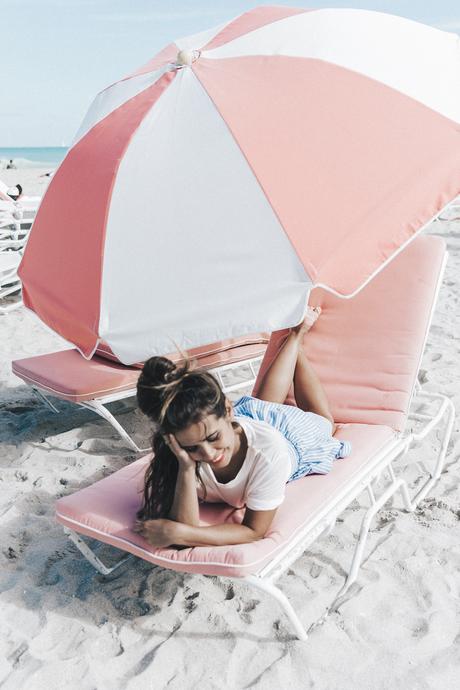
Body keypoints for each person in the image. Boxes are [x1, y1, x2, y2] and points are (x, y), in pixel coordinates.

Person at [134, 307, 351, 548]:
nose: (207, 454)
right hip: (247, 425)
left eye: (212, 438)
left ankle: (297, 337)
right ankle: (293, 339)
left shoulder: (270, 454)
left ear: (228, 410)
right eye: (193, 448)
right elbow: (183, 523)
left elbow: (253, 530)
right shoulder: (181, 450)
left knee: (323, 422)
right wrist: (186, 467)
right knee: (264, 405)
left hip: (290, 439)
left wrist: (182, 535)